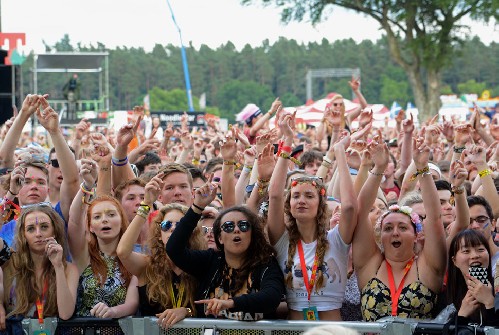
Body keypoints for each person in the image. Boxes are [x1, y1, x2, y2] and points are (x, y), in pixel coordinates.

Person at [266, 112, 358, 321]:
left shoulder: (336, 239)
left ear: (320, 205)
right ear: (289, 204)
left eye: (309, 196)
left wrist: (339, 153)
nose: (301, 200)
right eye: (296, 196)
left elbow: (350, 207)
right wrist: (287, 142)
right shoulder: (283, 241)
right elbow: (274, 195)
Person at [355, 136, 446, 321]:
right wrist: (378, 169)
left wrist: (423, 169)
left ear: (416, 235)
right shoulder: (369, 264)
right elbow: (361, 210)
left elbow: (434, 216)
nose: (395, 232)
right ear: (380, 236)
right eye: (388, 228)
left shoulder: (427, 265)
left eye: (403, 227)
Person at [166, 179, 285, 321]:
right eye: (228, 226)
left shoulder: (265, 264)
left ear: (252, 235)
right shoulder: (210, 261)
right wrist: (197, 207)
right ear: (220, 238)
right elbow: (174, 249)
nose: (236, 230)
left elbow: (271, 297)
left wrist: (230, 303)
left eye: (243, 226)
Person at [117, 172, 205, 328]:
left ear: (190, 232)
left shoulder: (203, 263)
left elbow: (206, 309)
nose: (173, 230)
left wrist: (186, 312)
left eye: (180, 226)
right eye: (166, 226)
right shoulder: (147, 266)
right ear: (159, 234)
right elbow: (123, 251)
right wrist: (146, 204)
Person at [68, 159, 139, 318]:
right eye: (97, 217)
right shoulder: (83, 255)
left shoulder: (132, 258)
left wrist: (112, 312)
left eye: (111, 214)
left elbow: (132, 304)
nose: (104, 220)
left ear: (121, 222)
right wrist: (87, 186)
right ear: (91, 227)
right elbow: (74, 219)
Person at [1, 204, 79, 321]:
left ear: (54, 231)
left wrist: (58, 266)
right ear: (24, 235)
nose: (38, 234)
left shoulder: (69, 269)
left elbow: (65, 314)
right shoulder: (10, 261)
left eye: (44, 227)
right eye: (31, 229)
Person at [447, 229, 498, 327]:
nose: (474, 256)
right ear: (454, 261)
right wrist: (462, 315)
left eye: (480, 249)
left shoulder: (498, 290)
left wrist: (490, 303)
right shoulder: (447, 296)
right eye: (466, 251)